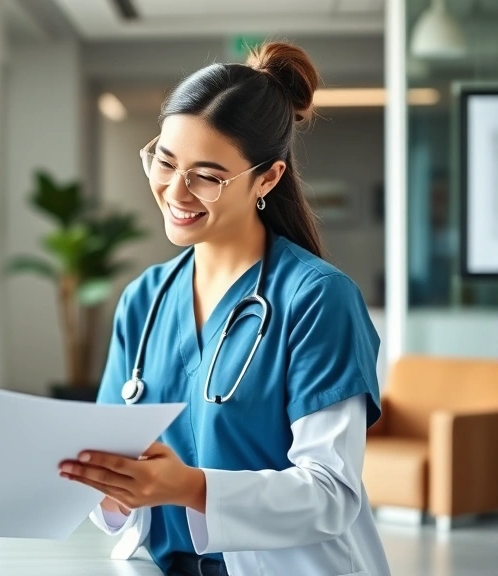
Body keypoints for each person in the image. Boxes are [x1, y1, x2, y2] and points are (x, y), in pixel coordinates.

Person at [58, 42, 391, 576]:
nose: (176, 191)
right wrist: (111, 489)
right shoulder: (144, 299)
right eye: (165, 162)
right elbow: (112, 483)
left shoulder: (317, 299)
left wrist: (188, 486)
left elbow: (332, 493)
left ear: (267, 178)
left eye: (208, 176)